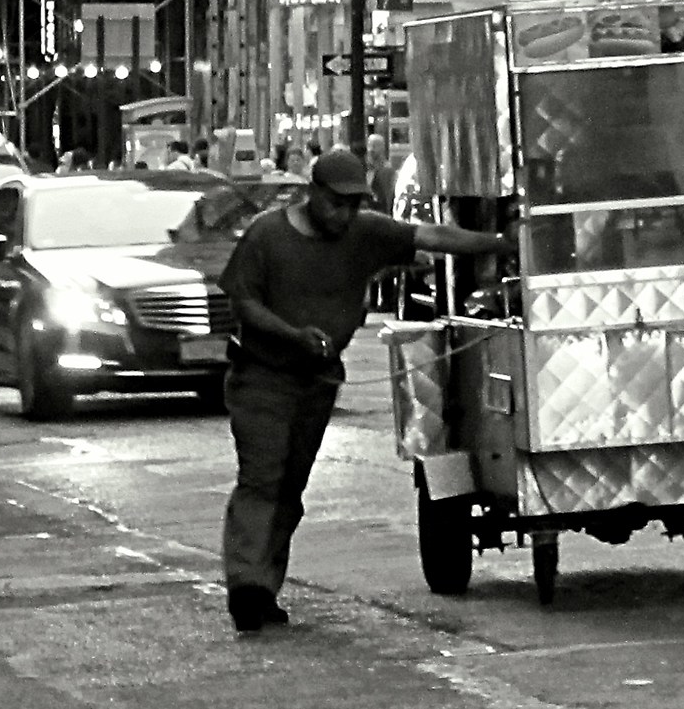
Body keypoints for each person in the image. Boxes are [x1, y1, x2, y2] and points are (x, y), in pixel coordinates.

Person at [216, 146, 515, 634]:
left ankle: (264, 587)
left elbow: (431, 236)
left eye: (354, 205)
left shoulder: (364, 232)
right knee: (262, 480)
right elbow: (244, 304)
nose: (344, 214)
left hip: (317, 382)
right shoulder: (267, 235)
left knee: (289, 487)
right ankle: (247, 587)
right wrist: (292, 336)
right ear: (312, 192)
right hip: (262, 378)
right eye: (336, 203)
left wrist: (501, 243)